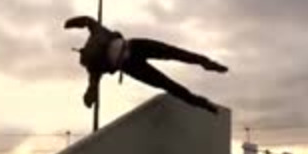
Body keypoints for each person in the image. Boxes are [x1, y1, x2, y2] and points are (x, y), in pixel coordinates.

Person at [64, 15, 228, 114]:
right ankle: (203, 82)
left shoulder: (93, 60)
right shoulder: (94, 58)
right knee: (172, 58)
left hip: (131, 59)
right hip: (132, 51)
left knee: (169, 73)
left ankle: (202, 94)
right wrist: (72, 22)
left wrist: (90, 97)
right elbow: (88, 21)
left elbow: (87, 21)